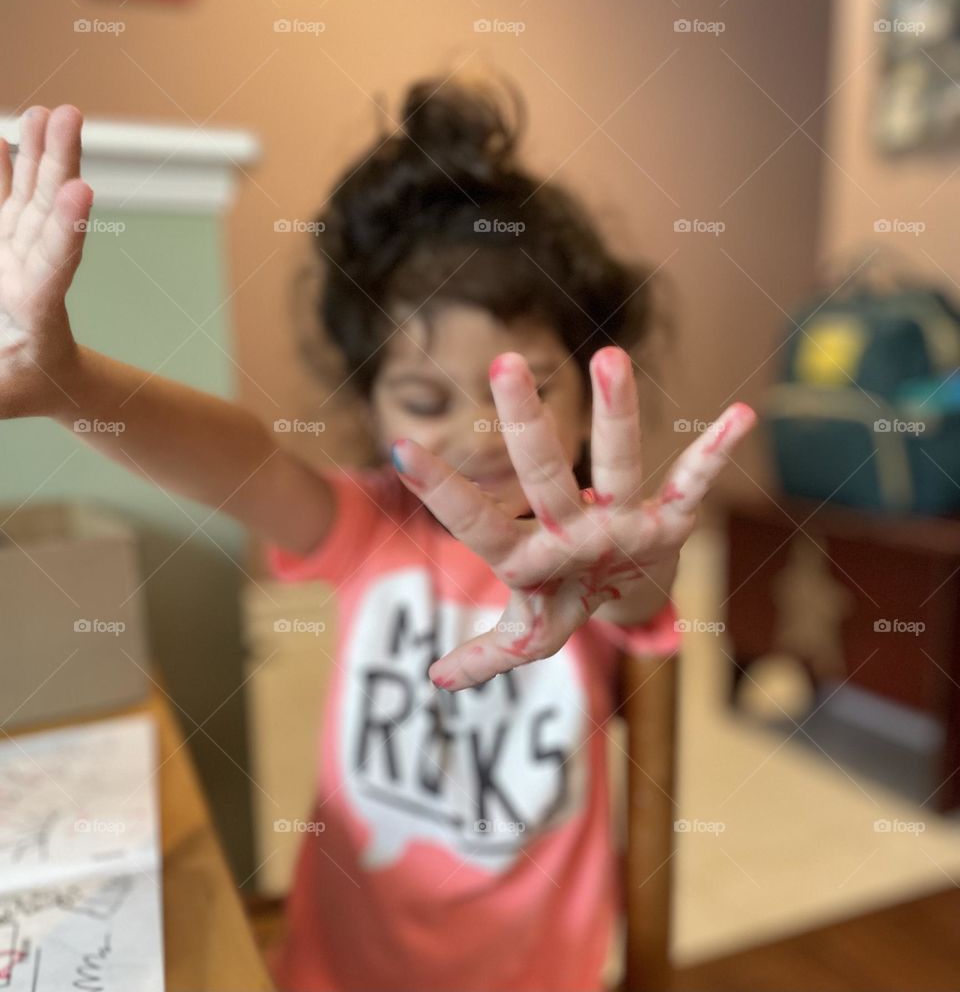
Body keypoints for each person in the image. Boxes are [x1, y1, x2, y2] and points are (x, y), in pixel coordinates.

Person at [0, 75, 755, 992]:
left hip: (535, 973)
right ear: (370, 405)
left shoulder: (592, 553)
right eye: (427, 399)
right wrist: (72, 383)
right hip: (339, 968)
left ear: (592, 400)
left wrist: (633, 571)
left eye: (529, 390)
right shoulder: (366, 526)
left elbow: (634, 600)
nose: (482, 433)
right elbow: (245, 461)